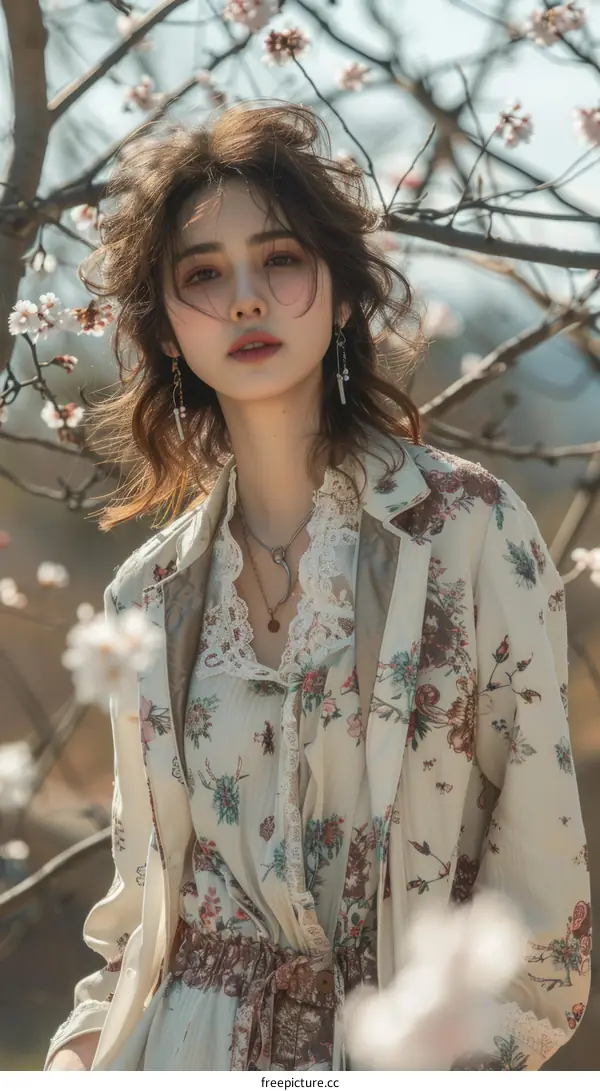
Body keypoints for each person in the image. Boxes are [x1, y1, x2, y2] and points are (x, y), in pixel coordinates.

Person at [44, 102, 590, 1072]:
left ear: (340, 292)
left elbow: (542, 908)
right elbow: (135, 921)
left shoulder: (470, 531)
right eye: (202, 274)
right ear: (168, 329)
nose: (245, 299)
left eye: (280, 258)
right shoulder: (145, 598)